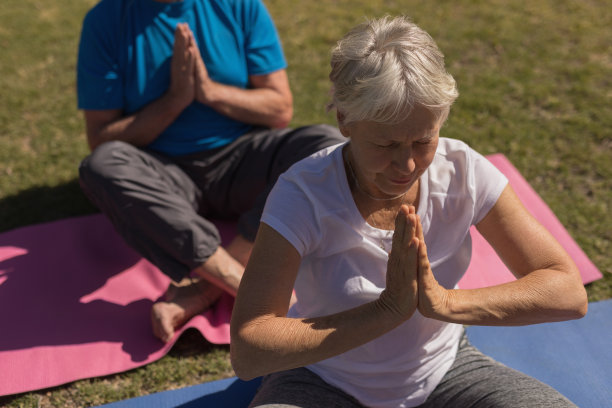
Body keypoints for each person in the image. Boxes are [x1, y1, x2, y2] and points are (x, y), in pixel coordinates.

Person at [230, 16, 588, 408]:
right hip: (323, 378)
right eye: (385, 145)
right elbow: (249, 351)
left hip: (445, 370)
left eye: (423, 140)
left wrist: (445, 303)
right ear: (344, 120)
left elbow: (567, 291)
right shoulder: (303, 193)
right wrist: (386, 312)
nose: (407, 166)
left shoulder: (463, 170)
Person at [76, 0, 344, 343]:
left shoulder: (240, 6)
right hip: (162, 172)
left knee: (327, 145)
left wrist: (208, 91)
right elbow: (101, 138)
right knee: (102, 166)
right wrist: (174, 100)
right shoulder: (106, 20)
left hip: (242, 159)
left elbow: (279, 109)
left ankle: (207, 287)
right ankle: (241, 283)